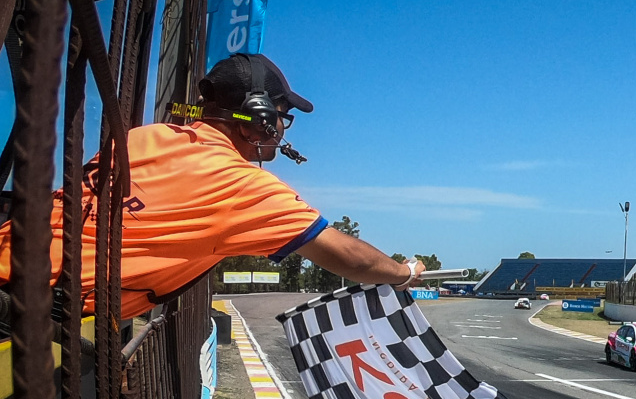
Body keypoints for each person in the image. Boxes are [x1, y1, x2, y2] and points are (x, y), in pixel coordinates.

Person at [0, 52, 424, 318]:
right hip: (36, 314)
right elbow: (351, 258)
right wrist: (404, 273)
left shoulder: (144, 136)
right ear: (259, 116)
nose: (282, 126)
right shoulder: (239, 185)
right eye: (281, 115)